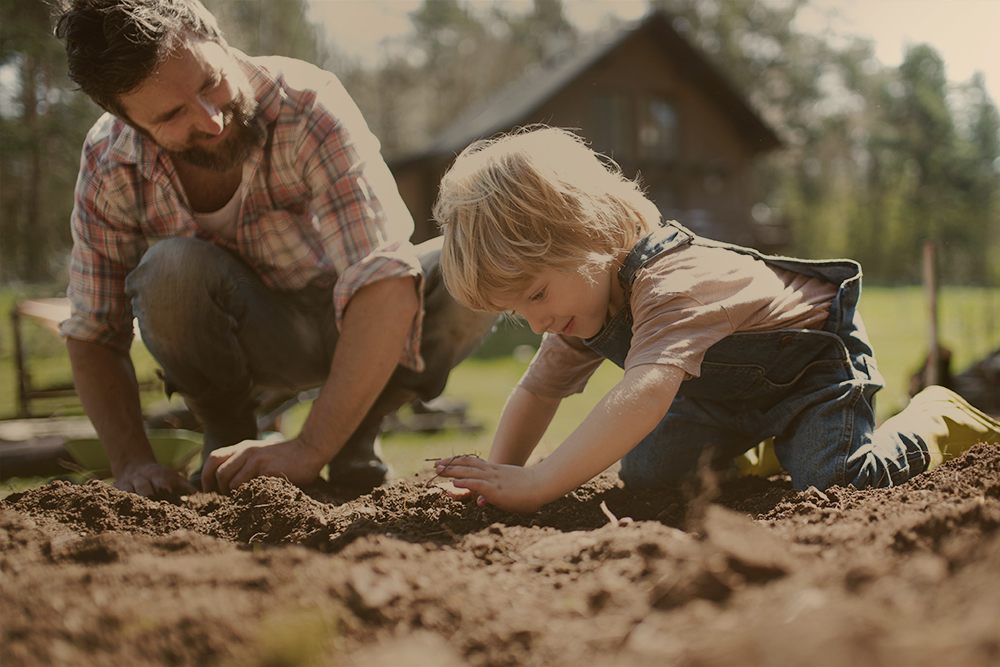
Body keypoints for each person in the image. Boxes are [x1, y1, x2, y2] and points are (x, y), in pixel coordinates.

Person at [430, 127, 1000, 513]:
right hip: (716, 394)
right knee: (650, 476)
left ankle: (935, 416)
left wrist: (540, 483)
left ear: (588, 236)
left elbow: (646, 393)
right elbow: (537, 389)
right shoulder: (583, 301)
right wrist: (498, 478)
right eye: (516, 313)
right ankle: (765, 442)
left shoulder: (674, 281)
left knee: (839, 479)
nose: (535, 323)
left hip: (811, 369)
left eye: (534, 295)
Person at [53, 0, 495, 498]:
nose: (212, 120)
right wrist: (131, 461)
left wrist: (309, 448)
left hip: (361, 324)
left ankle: (353, 440)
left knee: (478, 260)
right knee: (168, 271)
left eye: (208, 83)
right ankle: (232, 444)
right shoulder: (111, 161)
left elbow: (383, 281)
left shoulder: (308, 103)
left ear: (216, 35)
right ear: (127, 119)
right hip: (253, 338)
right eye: (174, 114)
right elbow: (94, 331)